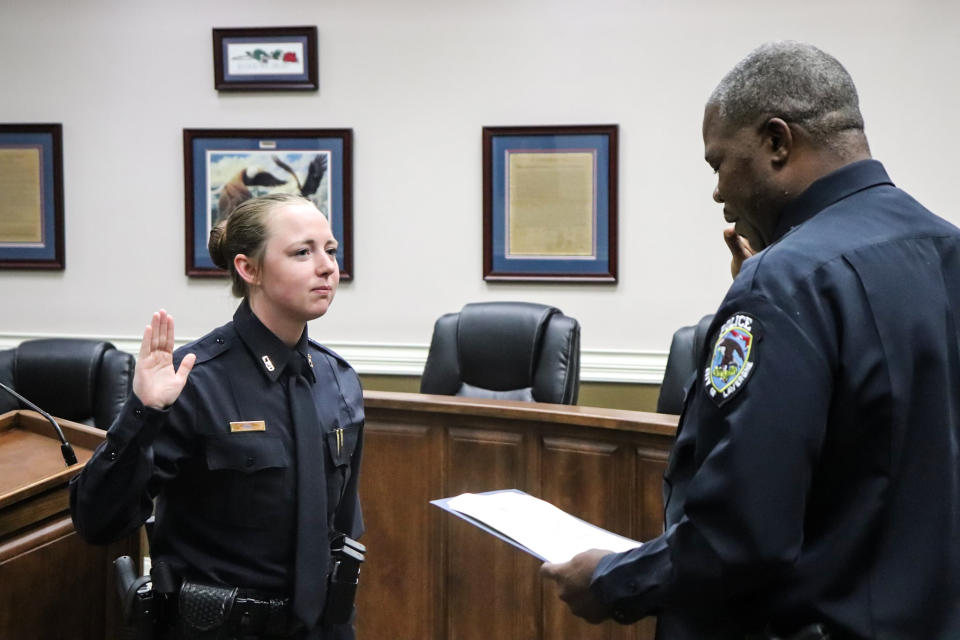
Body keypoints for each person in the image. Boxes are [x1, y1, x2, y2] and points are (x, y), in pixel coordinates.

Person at [541, 41, 960, 639]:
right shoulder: (947, 249)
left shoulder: (787, 281)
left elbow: (743, 534)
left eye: (718, 164)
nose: (717, 192)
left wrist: (613, 580)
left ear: (777, 142)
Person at [70, 193, 364, 640]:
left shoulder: (337, 379)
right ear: (250, 269)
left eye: (330, 250)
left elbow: (343, 529)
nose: (326, 266)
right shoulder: (191, 379)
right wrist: (142, 412)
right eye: (302, 252)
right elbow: (98, 521)